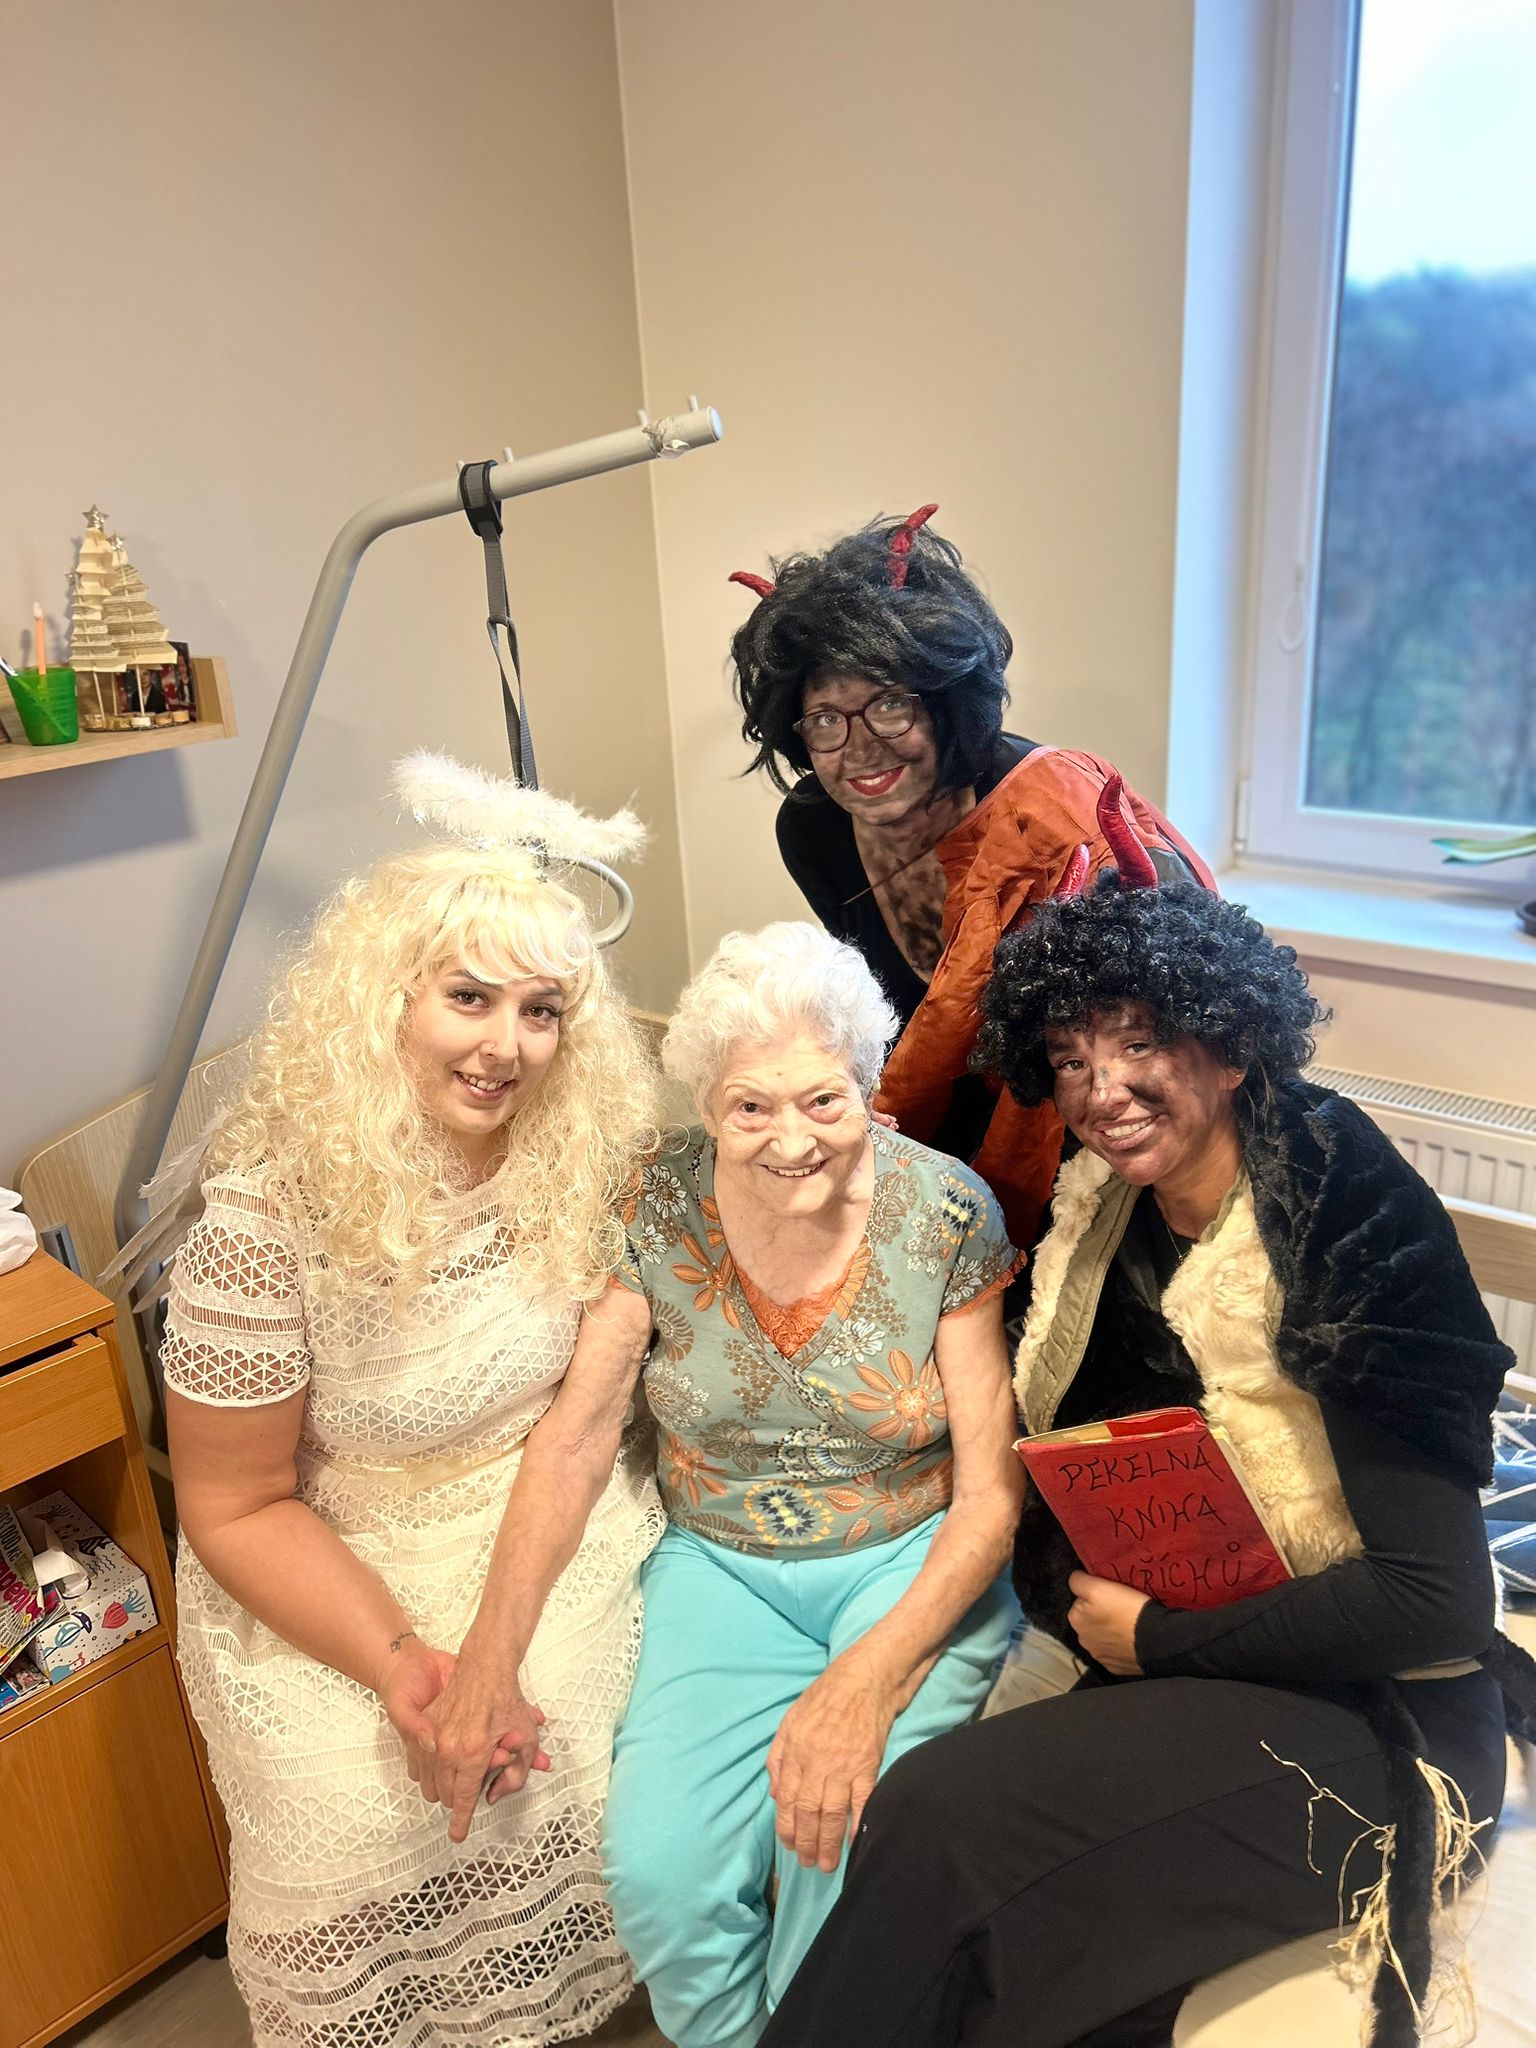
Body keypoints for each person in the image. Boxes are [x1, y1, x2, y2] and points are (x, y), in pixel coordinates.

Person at [759, 846, 1536, 2048]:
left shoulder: (1340, 1211)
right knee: (1022, 1938)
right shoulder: (1110, 1209)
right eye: (1071, 1059)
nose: (1103, 1089)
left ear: (1230, 1046)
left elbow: (1433, 1604)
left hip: (1389, 1718)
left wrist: (1159, 1635)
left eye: (1139, 1042)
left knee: (946, 1814)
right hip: (1219, 1665)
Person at [160, 757, 665, 2047]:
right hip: (330, 1545)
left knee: (558, 1737)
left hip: (549, 1509)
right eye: (469, 996)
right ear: (387, 998)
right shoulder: (266, 1219)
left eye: (542, 1010)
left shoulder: (586, 1161)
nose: (507, 1045)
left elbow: (580, 1430)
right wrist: (401, 1663)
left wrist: (488, 1661)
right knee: (345, 1803)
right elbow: (233, 1504)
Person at [594, 921, 1025, 2048]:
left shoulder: (945, 1211)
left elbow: (992, 1497)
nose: (792, 1140)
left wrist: (864, 1685)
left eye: (823, 1099)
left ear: (867, 1085)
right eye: (750, 1106)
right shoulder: (654, 1198)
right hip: (718, 1567)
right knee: (660, 1872)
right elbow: (579, 1427)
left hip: (910, 1558)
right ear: (706, 1105)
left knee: (843, 1854)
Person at [728, 504, 1212, 1245]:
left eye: (891, 704)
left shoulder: (1054, 821)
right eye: (825, 719)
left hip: (1088, 1139)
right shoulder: (812, 831)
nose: (859, 749)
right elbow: (887, 1017)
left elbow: (1155, 1045)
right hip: (929, 1132)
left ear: (949, 703)